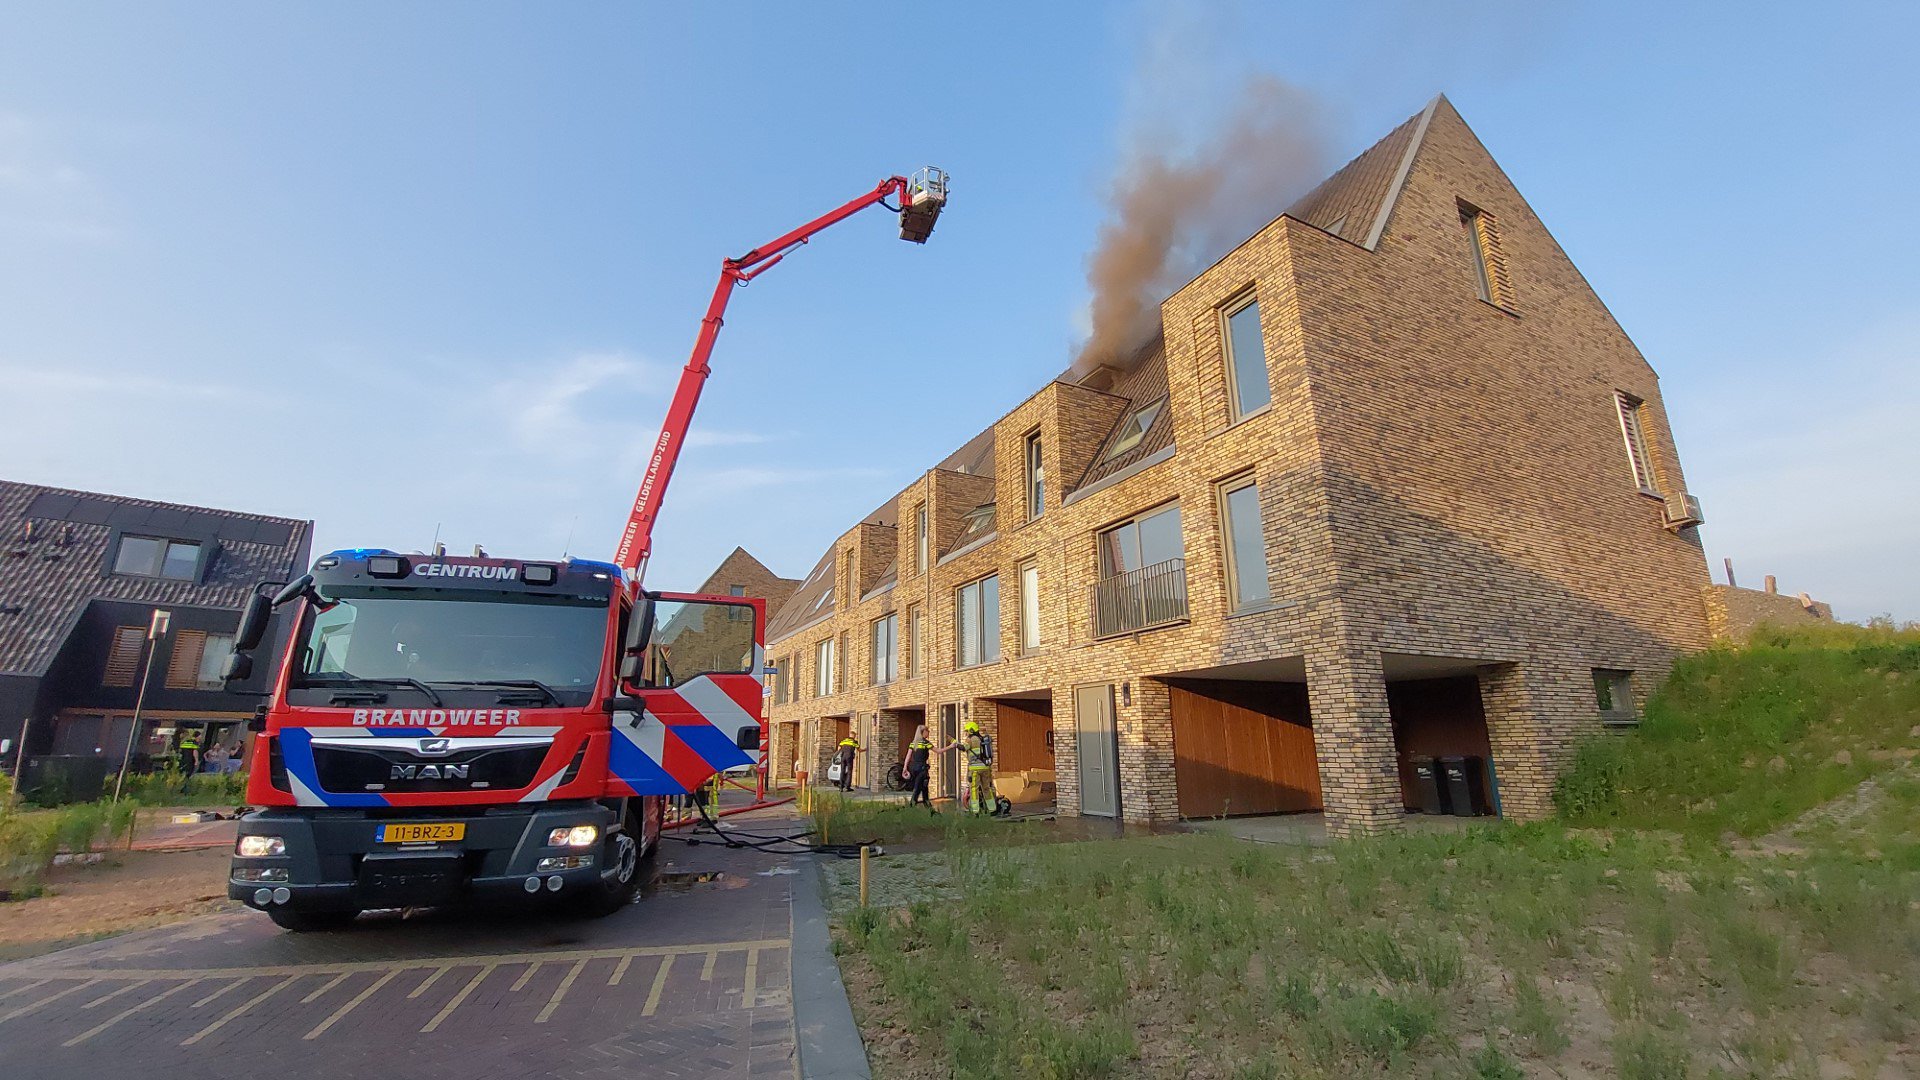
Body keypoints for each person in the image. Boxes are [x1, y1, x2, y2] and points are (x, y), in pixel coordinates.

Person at [939, 721, 996, 815]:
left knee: (974, 789)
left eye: (967, 731)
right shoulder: (982, 739)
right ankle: (992, 809)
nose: (966, 733)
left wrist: (952, 741)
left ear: (971, 730)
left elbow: (963, 747)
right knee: (986, 788)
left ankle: (975, 811)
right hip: (986, 768)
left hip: (975, 769)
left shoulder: (971, 739)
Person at [903, 724, 934, 810]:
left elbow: (908, 756)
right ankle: (912, 804)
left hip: (914, 767)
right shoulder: (925, 743)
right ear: (923, 732)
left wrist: (905, 767)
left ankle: (927, 805)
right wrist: (951, 746)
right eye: (927, 731)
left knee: (924, 787)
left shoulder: (913, 743)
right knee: (918, 787)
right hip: (922, 768)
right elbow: (938, 751)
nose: (928, 732)